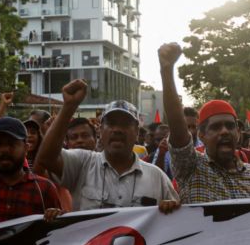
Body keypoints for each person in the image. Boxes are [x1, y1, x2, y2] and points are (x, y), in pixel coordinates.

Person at [160, 43, 250, 204]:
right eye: (215, 127)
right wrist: (167, 71)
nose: (224, 131)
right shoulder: (191, 167)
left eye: (230, 126)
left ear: (238, 132)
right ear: (201, 135)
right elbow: (177, 125)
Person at [34, 80, 179, 213]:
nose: (117, 129)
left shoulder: (157, 177)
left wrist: (170, 210)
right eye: (111, 124)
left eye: (125, 124)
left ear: (136, 132)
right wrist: (68, 106)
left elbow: (177, 223)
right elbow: (47, 158)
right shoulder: (83, 163)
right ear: (100, 130)